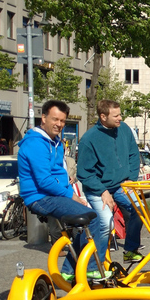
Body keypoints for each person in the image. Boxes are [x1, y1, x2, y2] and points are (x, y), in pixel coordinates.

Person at [18, 100, 99, 279]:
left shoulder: (55, 142)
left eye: (63, 121)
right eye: (55, 119)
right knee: (92, 219)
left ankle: (69, 272)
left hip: (53, 194)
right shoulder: (36, 143)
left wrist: (69, 188)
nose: (59, 124)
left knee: (84, 224)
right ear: (44, 118)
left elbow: (58, 172)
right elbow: (44, 180)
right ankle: (90, 269)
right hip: (41, 196)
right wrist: (71, 196)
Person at [78, 99, 144, 275]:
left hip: (121, 184)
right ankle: (95, 267)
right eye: (116, 115)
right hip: (97, 187)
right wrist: (103, 191)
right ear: (103, 116)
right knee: (106, 222)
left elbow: (133, 154)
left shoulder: (124, 130)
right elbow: (84, 173)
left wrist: (131, 179)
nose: (120, 118)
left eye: (120, 114)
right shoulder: (89, 139)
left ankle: (130, 250)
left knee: (140, 210)